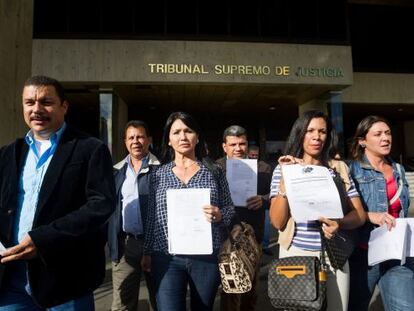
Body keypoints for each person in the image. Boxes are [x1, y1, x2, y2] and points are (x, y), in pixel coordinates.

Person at [0, 75, 116, 309]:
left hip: (65, 282)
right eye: (29, 102)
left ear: (64, 106)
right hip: (12, 280)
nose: (36, 109)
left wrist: (43, 239)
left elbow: (100, 205)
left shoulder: (90, 149)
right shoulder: (7, 154)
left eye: (46, 102)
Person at [269, 110, 366, 311]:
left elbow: (359, 215)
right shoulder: (283, 168)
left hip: (334, 254)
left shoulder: (338, 168)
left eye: (322, 131)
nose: (316, 136)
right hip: (296, 252)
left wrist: (339, 224)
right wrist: (286, 181)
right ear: (300, 134)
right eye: (310, 130)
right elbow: (277, 222)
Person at [141, 112, 235, 311]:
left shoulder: (213, 170)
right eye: (176, 132)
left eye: (188, 131)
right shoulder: (157, 174)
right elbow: (151, 217)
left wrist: (219, 215)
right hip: (166, 257)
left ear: (197, 137)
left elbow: (229, 208)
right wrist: (147, 251)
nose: (183, 137)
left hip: (205, 258)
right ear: (168, 140)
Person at [347, 115, 413, 311]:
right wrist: (369, 215)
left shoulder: (398, 170)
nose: (385, 138)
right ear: (362, 141)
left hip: (397, 254)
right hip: (362, 255)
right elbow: (342, 212)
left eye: (388, 133)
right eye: (378, 134)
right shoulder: (351, 170)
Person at [216, 125, 272, 311]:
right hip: (225, 236)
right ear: (224, 146)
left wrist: (263, 200)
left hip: (253, 236)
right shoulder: (216, 169)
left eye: (242, 143)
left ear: (247, 145)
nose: (238, 148)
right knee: (230, 288)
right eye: (233, 144)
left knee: (250, 288)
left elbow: (277, 196)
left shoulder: (263, 169)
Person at [108, 120, 159, 311]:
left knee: (161, 302)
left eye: (140, 136)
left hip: (157, 247)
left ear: (149, 140)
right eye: (131, 137)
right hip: (125, 246)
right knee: (122, 305)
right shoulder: (116, 171)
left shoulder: (162, 169)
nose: (135, 141)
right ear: (125, 142)